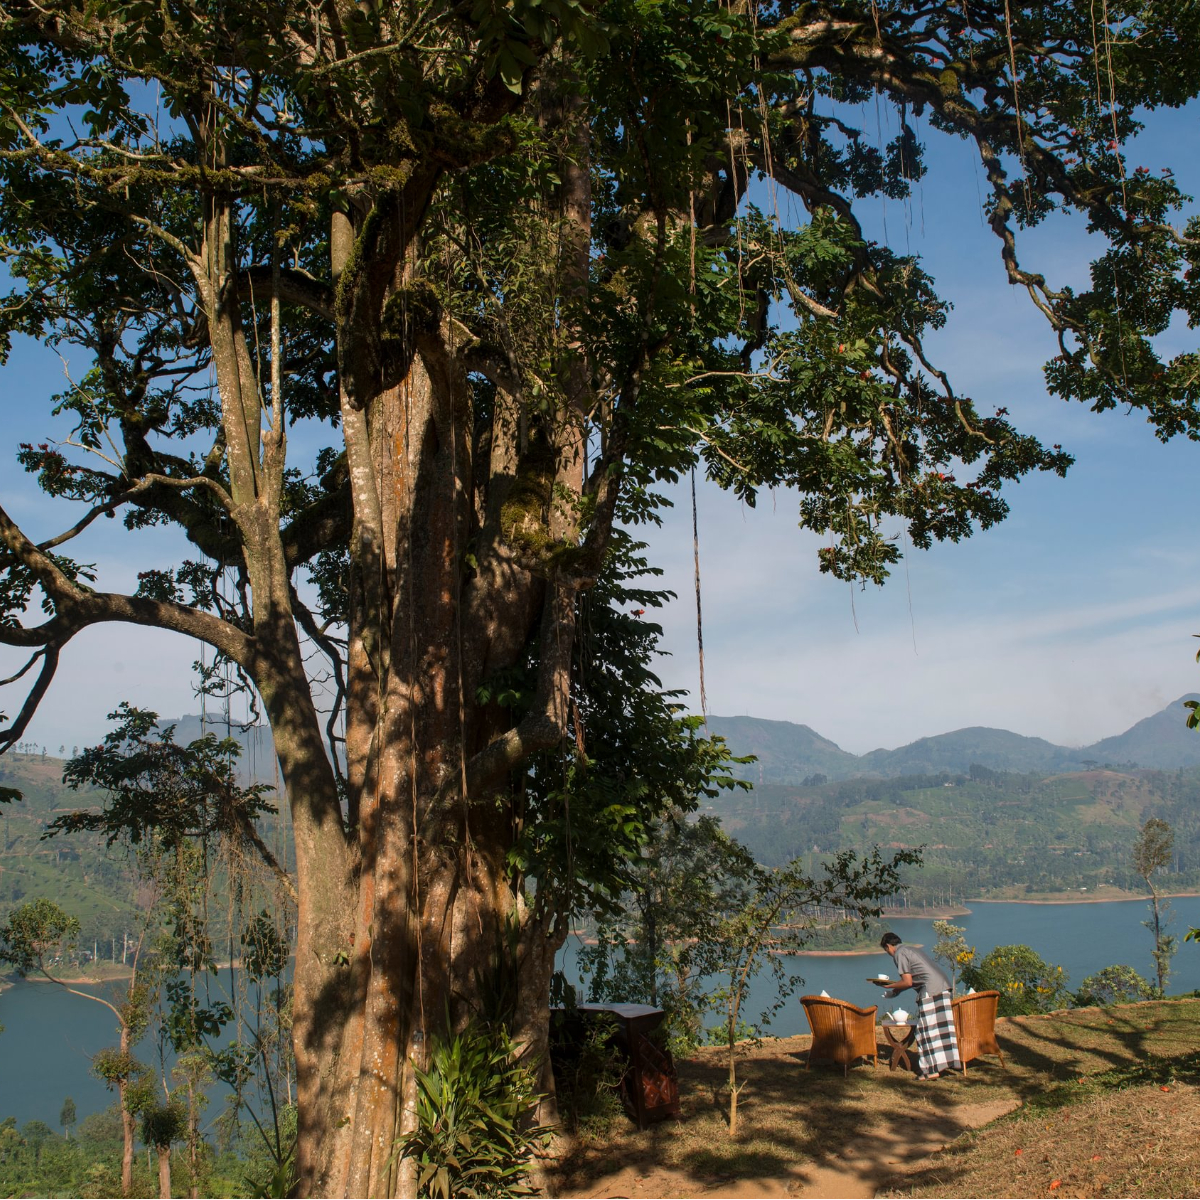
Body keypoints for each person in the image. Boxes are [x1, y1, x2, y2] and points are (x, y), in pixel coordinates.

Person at [879, 931, 962, 1080]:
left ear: (888, 946)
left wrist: (889, 986)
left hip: (931, 991)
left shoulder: (899, 954)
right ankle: (943, 1064)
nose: (889, 953)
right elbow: (915, 978)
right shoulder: (911, 949)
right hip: (943, 987)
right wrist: (895, 991)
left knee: (925, 1031)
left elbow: (907, 982)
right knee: (942, 1030)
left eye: (886, 950)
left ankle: (930, 1070)